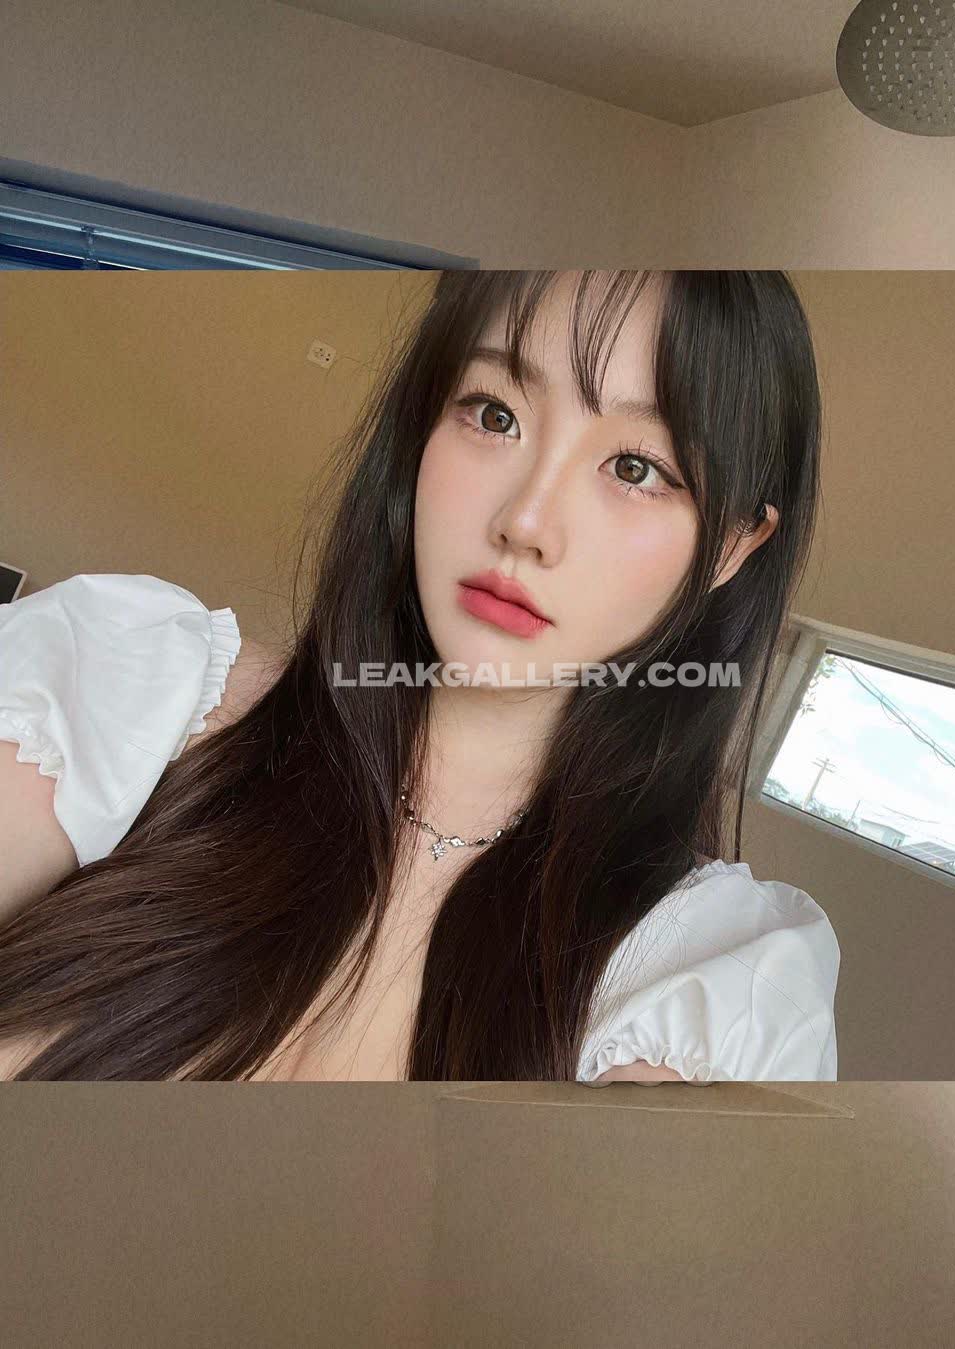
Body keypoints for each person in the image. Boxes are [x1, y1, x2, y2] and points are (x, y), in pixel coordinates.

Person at [0, 270, 839, 1082]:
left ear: (732, 547)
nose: (525, 521)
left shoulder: (709, 977)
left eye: (634, 468)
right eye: (495, 414)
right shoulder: (130, 683)